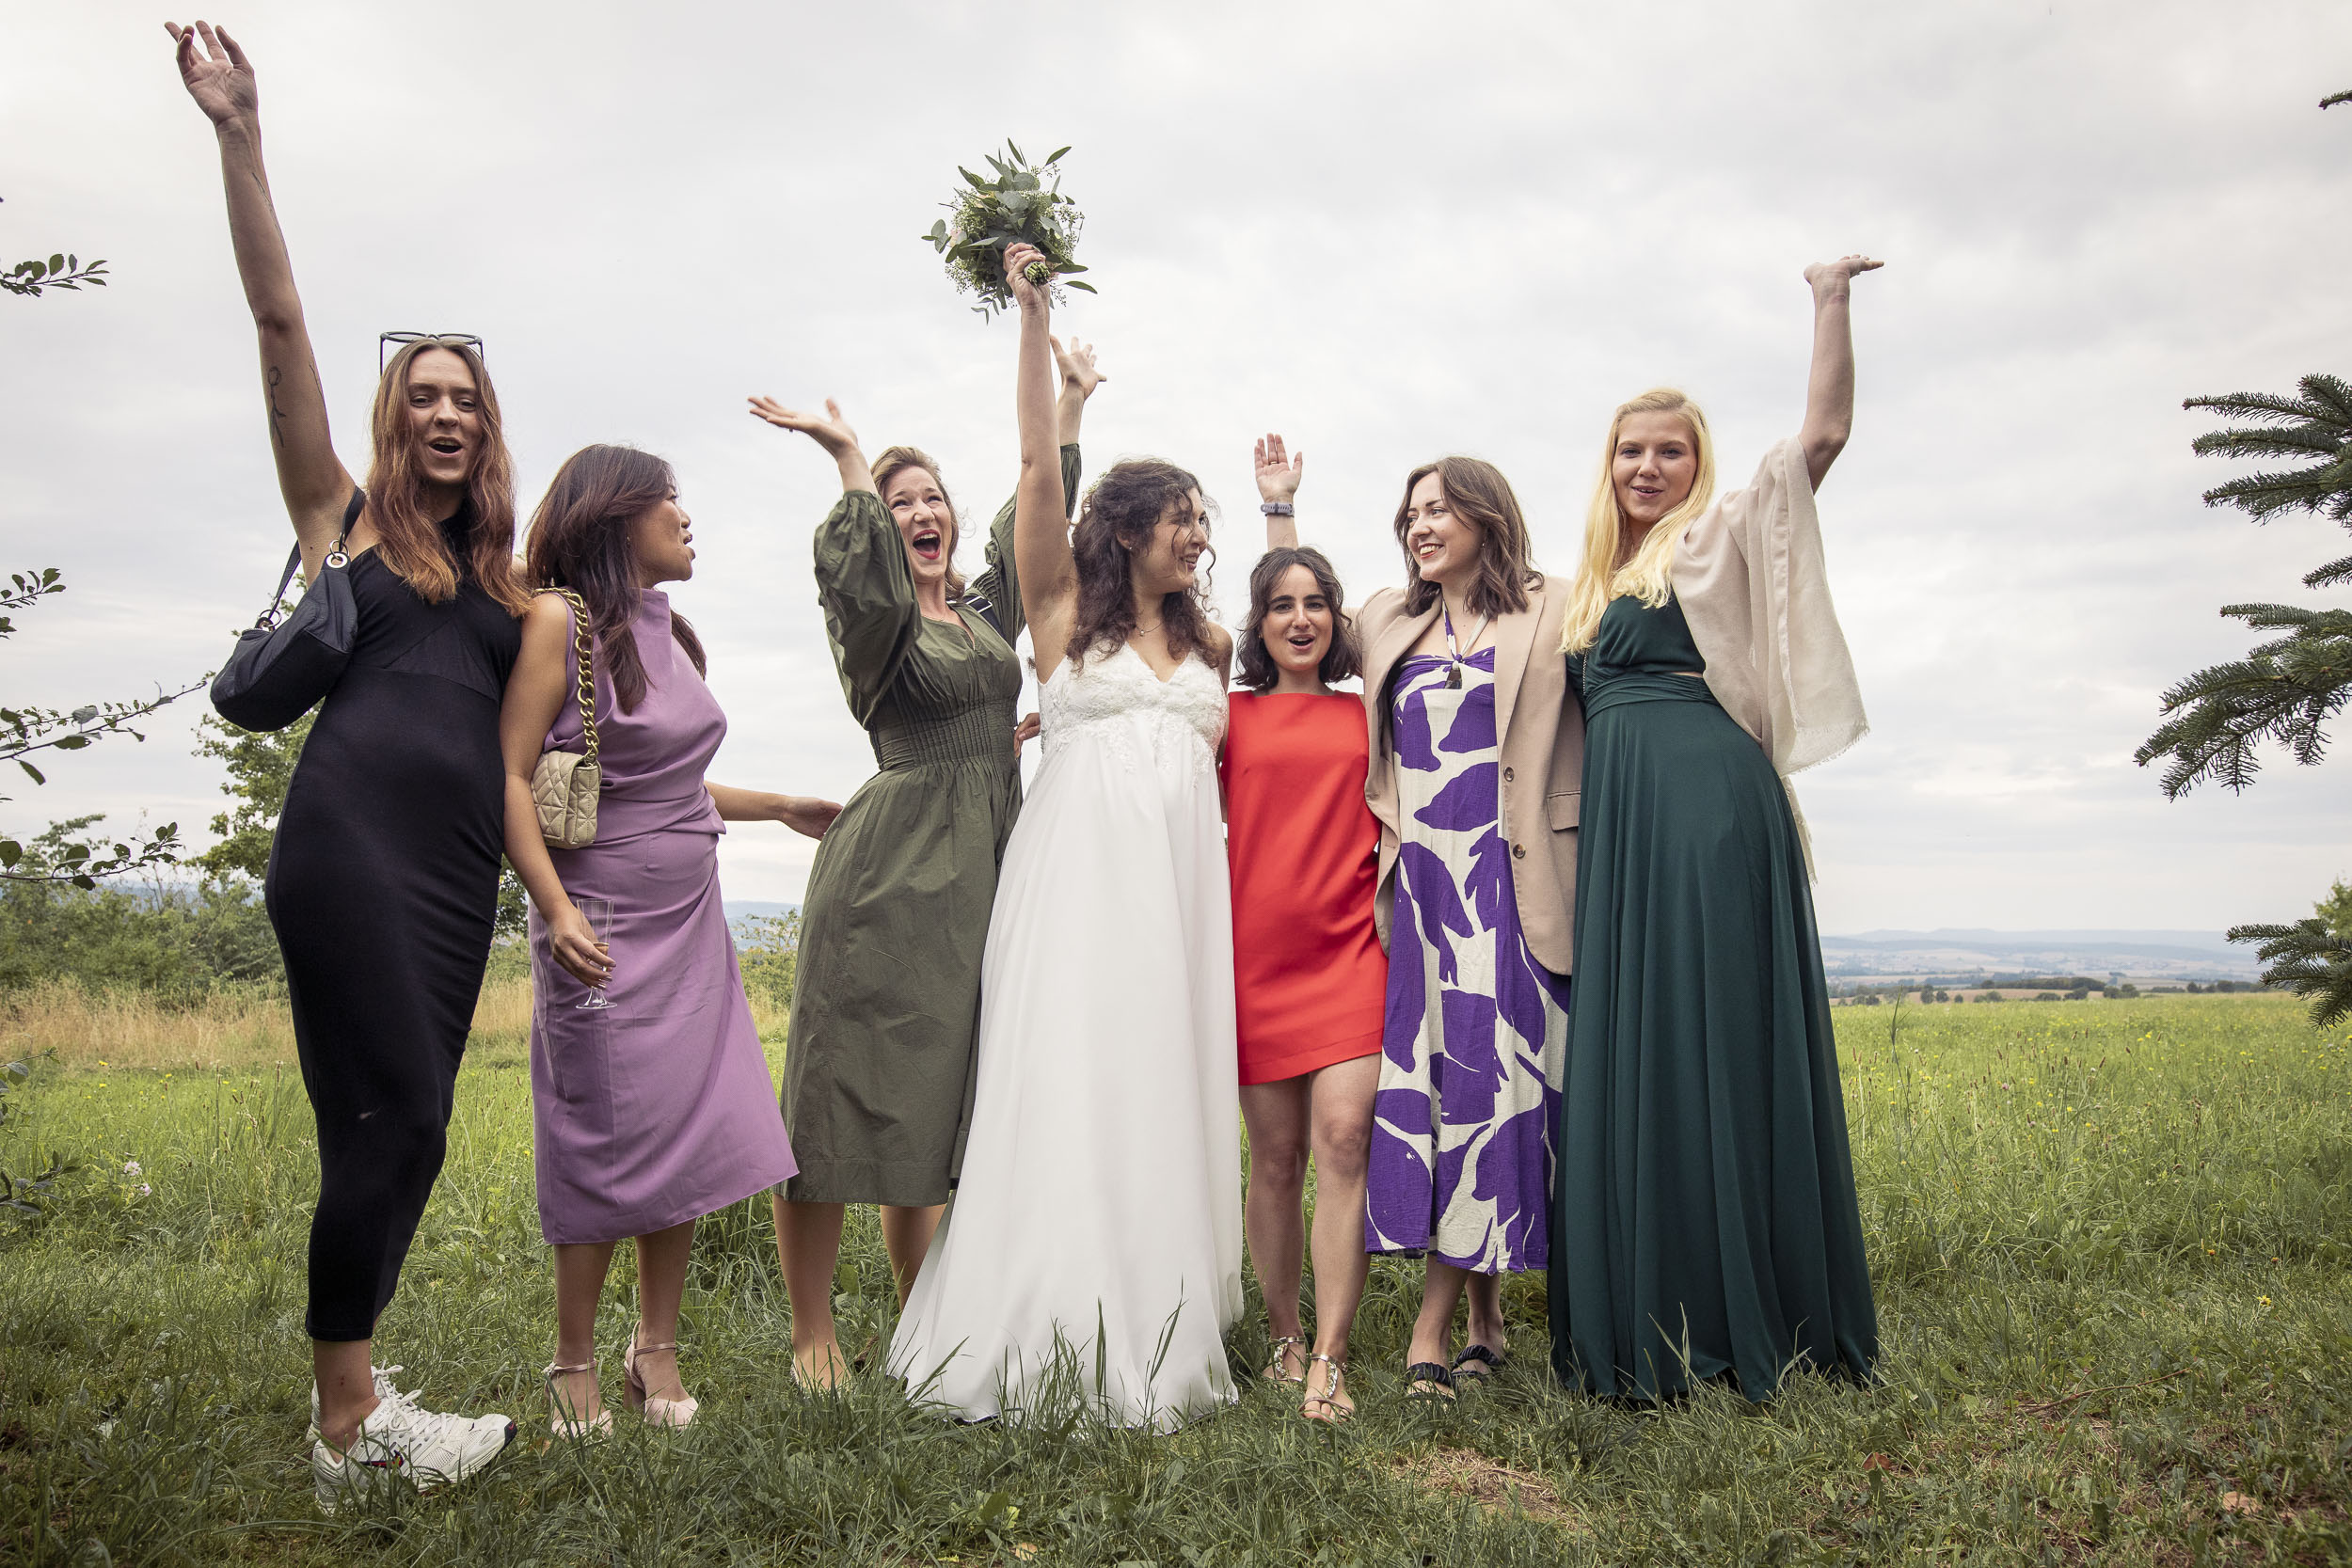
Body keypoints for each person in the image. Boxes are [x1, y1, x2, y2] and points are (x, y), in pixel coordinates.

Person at [167, 18, 521, 1508]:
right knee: (390, 1117)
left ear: (486, 427)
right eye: (422, 393)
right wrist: (242, 138)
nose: (443, 410)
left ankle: (356, 1391)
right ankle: (348, 1423)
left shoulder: (503, 573)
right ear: (393, 416)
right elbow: (277, 325)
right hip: (351, 848)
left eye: (465, 397)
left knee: (409, 1126)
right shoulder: (345, 519)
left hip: (455, 877)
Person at [888, 242, 1241, 1431]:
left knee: (1158, 1075)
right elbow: (1038, 461)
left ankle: (1161, 1305)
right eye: (1183, 519)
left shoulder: (1211, 647)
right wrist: (1033, 318)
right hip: (1077, 886)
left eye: (1203, 521)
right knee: (1072, 1074)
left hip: (1178, 891)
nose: (1198, 537)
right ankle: (1042, 1309)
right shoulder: (1054, 613)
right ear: (1127, 528)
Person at [1549, 258, 1883, 1403]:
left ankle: (1750, 1304)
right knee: (1644, 1048)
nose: (1648, 467)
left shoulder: (1721, 531)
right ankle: (1652, 1296)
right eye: (1630, 451)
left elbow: (1821, 437)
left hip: (1702, 810)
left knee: (1715, 1042)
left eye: (1670, 451)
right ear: (1609, 466)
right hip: (1625, 829)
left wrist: (1828, 297)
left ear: (1698, 464)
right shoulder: (1591, 578)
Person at [744, 337, 1103, 1389]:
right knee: (836, 1099)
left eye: (930, 496)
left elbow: (1033, 521)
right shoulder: (883, 625)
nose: (920, 512)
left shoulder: (982, 615)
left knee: (937, 1103)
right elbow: (863, 581)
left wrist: (1071, 403)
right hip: (891, 876)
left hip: (984, 873)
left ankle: (921, 1315)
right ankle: (812, 1333)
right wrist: (848, 459)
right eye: (900, 503)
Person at [499, 444, 837, 1436]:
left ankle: (655, 1348)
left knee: (682, 1127)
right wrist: (555, 908)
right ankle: (572, 1359)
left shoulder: (668, 631)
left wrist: (780, 805)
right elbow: (510, 776)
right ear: (616, 515)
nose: (686, 519)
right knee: (599, 1131)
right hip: (599, 923)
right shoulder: (558, 621)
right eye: (669, 501)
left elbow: (665, 780)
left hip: (690, 919)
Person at [1275, 453, 1583, 1403]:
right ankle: (1480, 1318)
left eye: (1439, 508)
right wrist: (1280, 507)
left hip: (1514, 888)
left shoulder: (1558, 606)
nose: (1419, 525)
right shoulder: (1386, 619)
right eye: (1410, 513)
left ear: (1487, 516)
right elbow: (1297, 616)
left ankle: (1434, 1327)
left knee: (1495, 1093)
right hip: (1419, 900)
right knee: (1444, 1093)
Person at [1220, 438, 1385, 1422]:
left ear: (1336, 619)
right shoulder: (1228, 717)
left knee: (1344, 1138)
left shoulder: (1369, 714)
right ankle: (1283, 1336)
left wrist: (1285, 511)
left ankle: (1331, 1352)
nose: (1299, 617)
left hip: (1351, 956)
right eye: (1280, 604)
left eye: (1316, 603)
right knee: (1275, 1159)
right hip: (1256, 968)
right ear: (1259, 623)